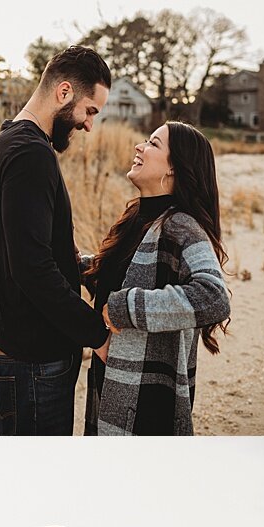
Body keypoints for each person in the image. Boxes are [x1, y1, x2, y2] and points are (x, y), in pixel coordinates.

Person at [0, 45, 113, 436]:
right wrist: (97, 334)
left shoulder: (12, 140)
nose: (89, 125)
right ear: (64, 92)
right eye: (89, 110)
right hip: (33, 362)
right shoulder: (29, 154)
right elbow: (31, 267)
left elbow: (33, 246)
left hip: (26, 355)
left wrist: (89, 268)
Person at [82, 121, 232, 435]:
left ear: (175, 168)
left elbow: (214, 297)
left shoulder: (182, 226)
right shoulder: (138, 216)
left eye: (152, 144)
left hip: (148, 391)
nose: (139, 147)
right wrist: (77, 265)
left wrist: (127, 308)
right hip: (115, 378)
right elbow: (126, 275)